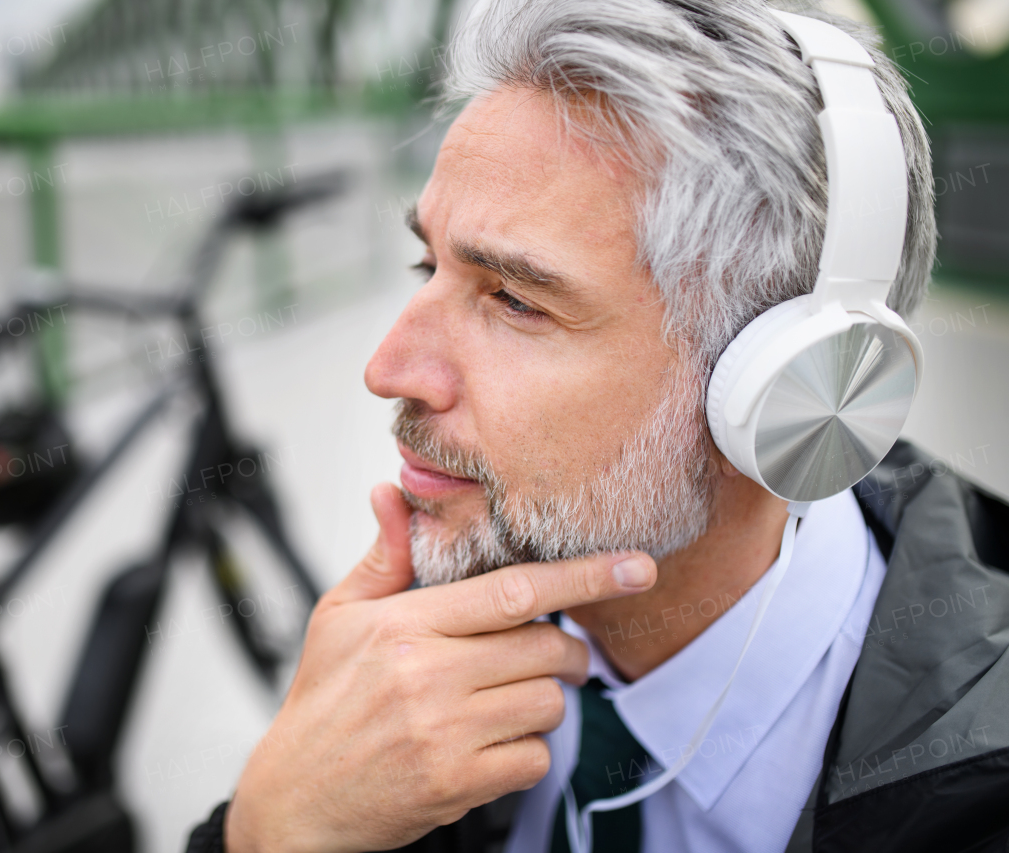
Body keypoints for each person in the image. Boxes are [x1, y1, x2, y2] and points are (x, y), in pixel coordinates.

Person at [187, 1, 1009, 851]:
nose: (386, 369)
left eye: (513, 298)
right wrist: (265, 828)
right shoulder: (419, 654)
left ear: (785, 387)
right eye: (428, 263)